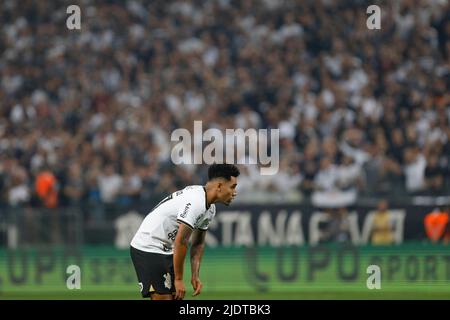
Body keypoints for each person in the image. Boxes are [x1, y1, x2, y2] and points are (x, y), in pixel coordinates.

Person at [130, 163, 240, 300]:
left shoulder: (210, 209)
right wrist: (179, 279)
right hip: (148, 246)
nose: (235, 192)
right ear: (219, 186)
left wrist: (195, 275)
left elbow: (198, 244)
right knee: (164, 298)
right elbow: (181, 241)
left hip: (166, 249)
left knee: (176, 297)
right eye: (232, 187)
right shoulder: (196, 202)